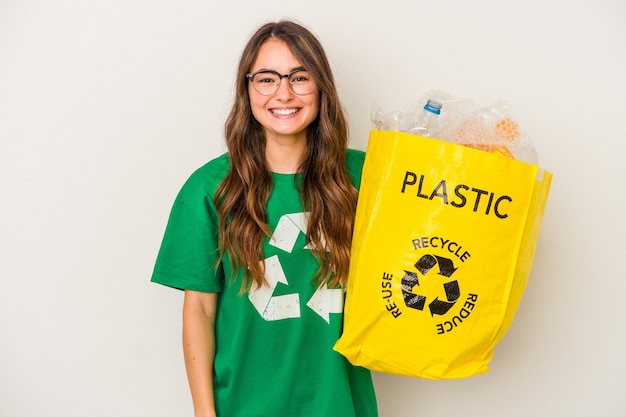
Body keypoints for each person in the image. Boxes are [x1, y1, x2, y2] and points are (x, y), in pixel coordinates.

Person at [151, 20, 378, 417]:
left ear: (321, 87)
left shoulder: (368, 177)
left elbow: (436, 223)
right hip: (242, 406)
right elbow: (200, 311)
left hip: (341, 404)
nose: (284, 93)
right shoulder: (209, 189)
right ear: (247, 89)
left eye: (300, 77)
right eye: (267, 79)